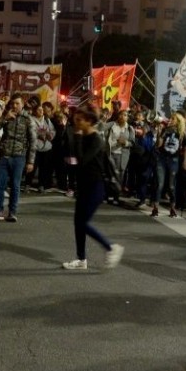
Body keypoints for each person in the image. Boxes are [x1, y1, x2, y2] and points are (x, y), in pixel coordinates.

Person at [62, 105, 125, 270]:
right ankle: (81, 259)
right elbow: (75, 159)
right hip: (83, 185)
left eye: (79, 120)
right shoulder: (83, 136)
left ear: (89, 121)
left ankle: (111, 247)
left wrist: (76, 138)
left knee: (83, 223)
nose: (76, 122)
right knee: (78, 222)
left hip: (95, 186)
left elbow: (81, 160)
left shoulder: (96, 139)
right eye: (75, 119)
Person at [0, 94, 36, 222]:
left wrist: (31, 161)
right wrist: (4, 118)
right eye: (13, 103)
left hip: (19, 157)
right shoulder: (6, 116)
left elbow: (33, 141)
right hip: (4, 156)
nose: (15, 106)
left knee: (15, 186)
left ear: (22, 104)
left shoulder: (28, 119)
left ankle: (12, 212)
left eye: (17, 103)